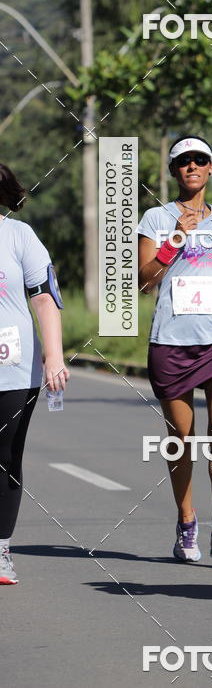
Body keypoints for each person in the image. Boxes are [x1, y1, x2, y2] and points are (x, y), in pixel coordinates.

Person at [137, 135, 212, 562]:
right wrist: (174, 241)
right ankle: (187, 521)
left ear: (210, 168)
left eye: (199, 160)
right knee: (181, 439)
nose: (191, 166)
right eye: (183, 161)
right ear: (173, 171)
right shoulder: (155, 217)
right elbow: (144, 280)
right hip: (171, 339)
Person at [0, 164, 70, 585]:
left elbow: (43, 297)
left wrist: (54, 356)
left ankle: (1, 549)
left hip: (12, 368)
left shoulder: (19, 235)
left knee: (5, 459)